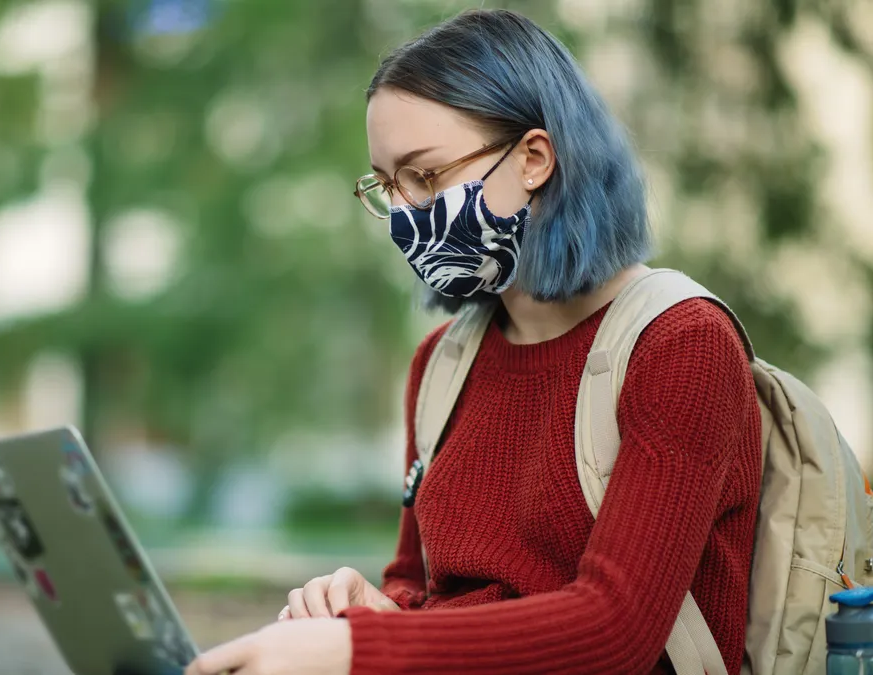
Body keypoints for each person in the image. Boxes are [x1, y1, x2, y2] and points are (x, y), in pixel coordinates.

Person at [185, 8, 761, 675]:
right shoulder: (443, 362)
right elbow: (423, 586)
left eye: (425, 176)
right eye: (387, 184)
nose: (404, 213)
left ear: (534, 158)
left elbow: (616, 629)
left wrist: (354, 648)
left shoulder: (683, 344)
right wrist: (376, 606)